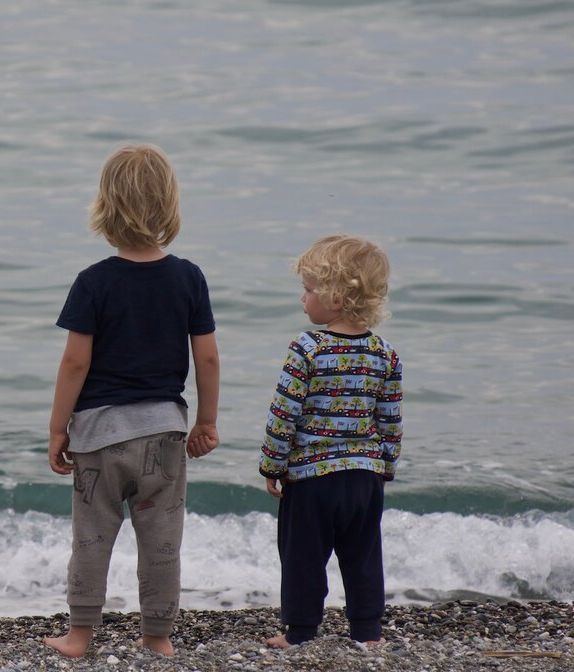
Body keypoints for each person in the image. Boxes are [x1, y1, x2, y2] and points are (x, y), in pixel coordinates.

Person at [43, 144, 220, 658]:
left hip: (99, 436)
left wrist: (59, 428)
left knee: (93, 538)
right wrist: (205, 422)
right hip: (164, 432)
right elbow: (206, 359)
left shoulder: (93, 282)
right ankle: (158, 638)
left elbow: (74, 364)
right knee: (162, 541)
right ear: (170, 206)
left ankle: (79, 636)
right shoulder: (188, 278)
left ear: (105, 206)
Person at [258, 234, 403, 648]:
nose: (303, 298)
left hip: (312, 479)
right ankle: (367, 632)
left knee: (303, 557)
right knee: (363, 556)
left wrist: (272, 465)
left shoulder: (307, 348)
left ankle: (300, 631)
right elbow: (389, 419)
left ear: (336, 297)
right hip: (364, 477)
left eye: (308, 289)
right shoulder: (384, 353)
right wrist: (385, 464)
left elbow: (284, 413)